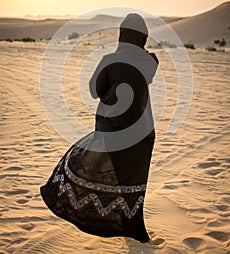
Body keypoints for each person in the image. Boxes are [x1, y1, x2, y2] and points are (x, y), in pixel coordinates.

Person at [40, 13, 159, 243]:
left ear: (122, 34)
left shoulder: (109, 60)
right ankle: (131, 227)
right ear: (143, 37)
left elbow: (95, 91)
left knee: (86, 164)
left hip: (112, 128)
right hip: (142, 132)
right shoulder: (151, 61)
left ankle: (103, 220)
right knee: (132, 181)